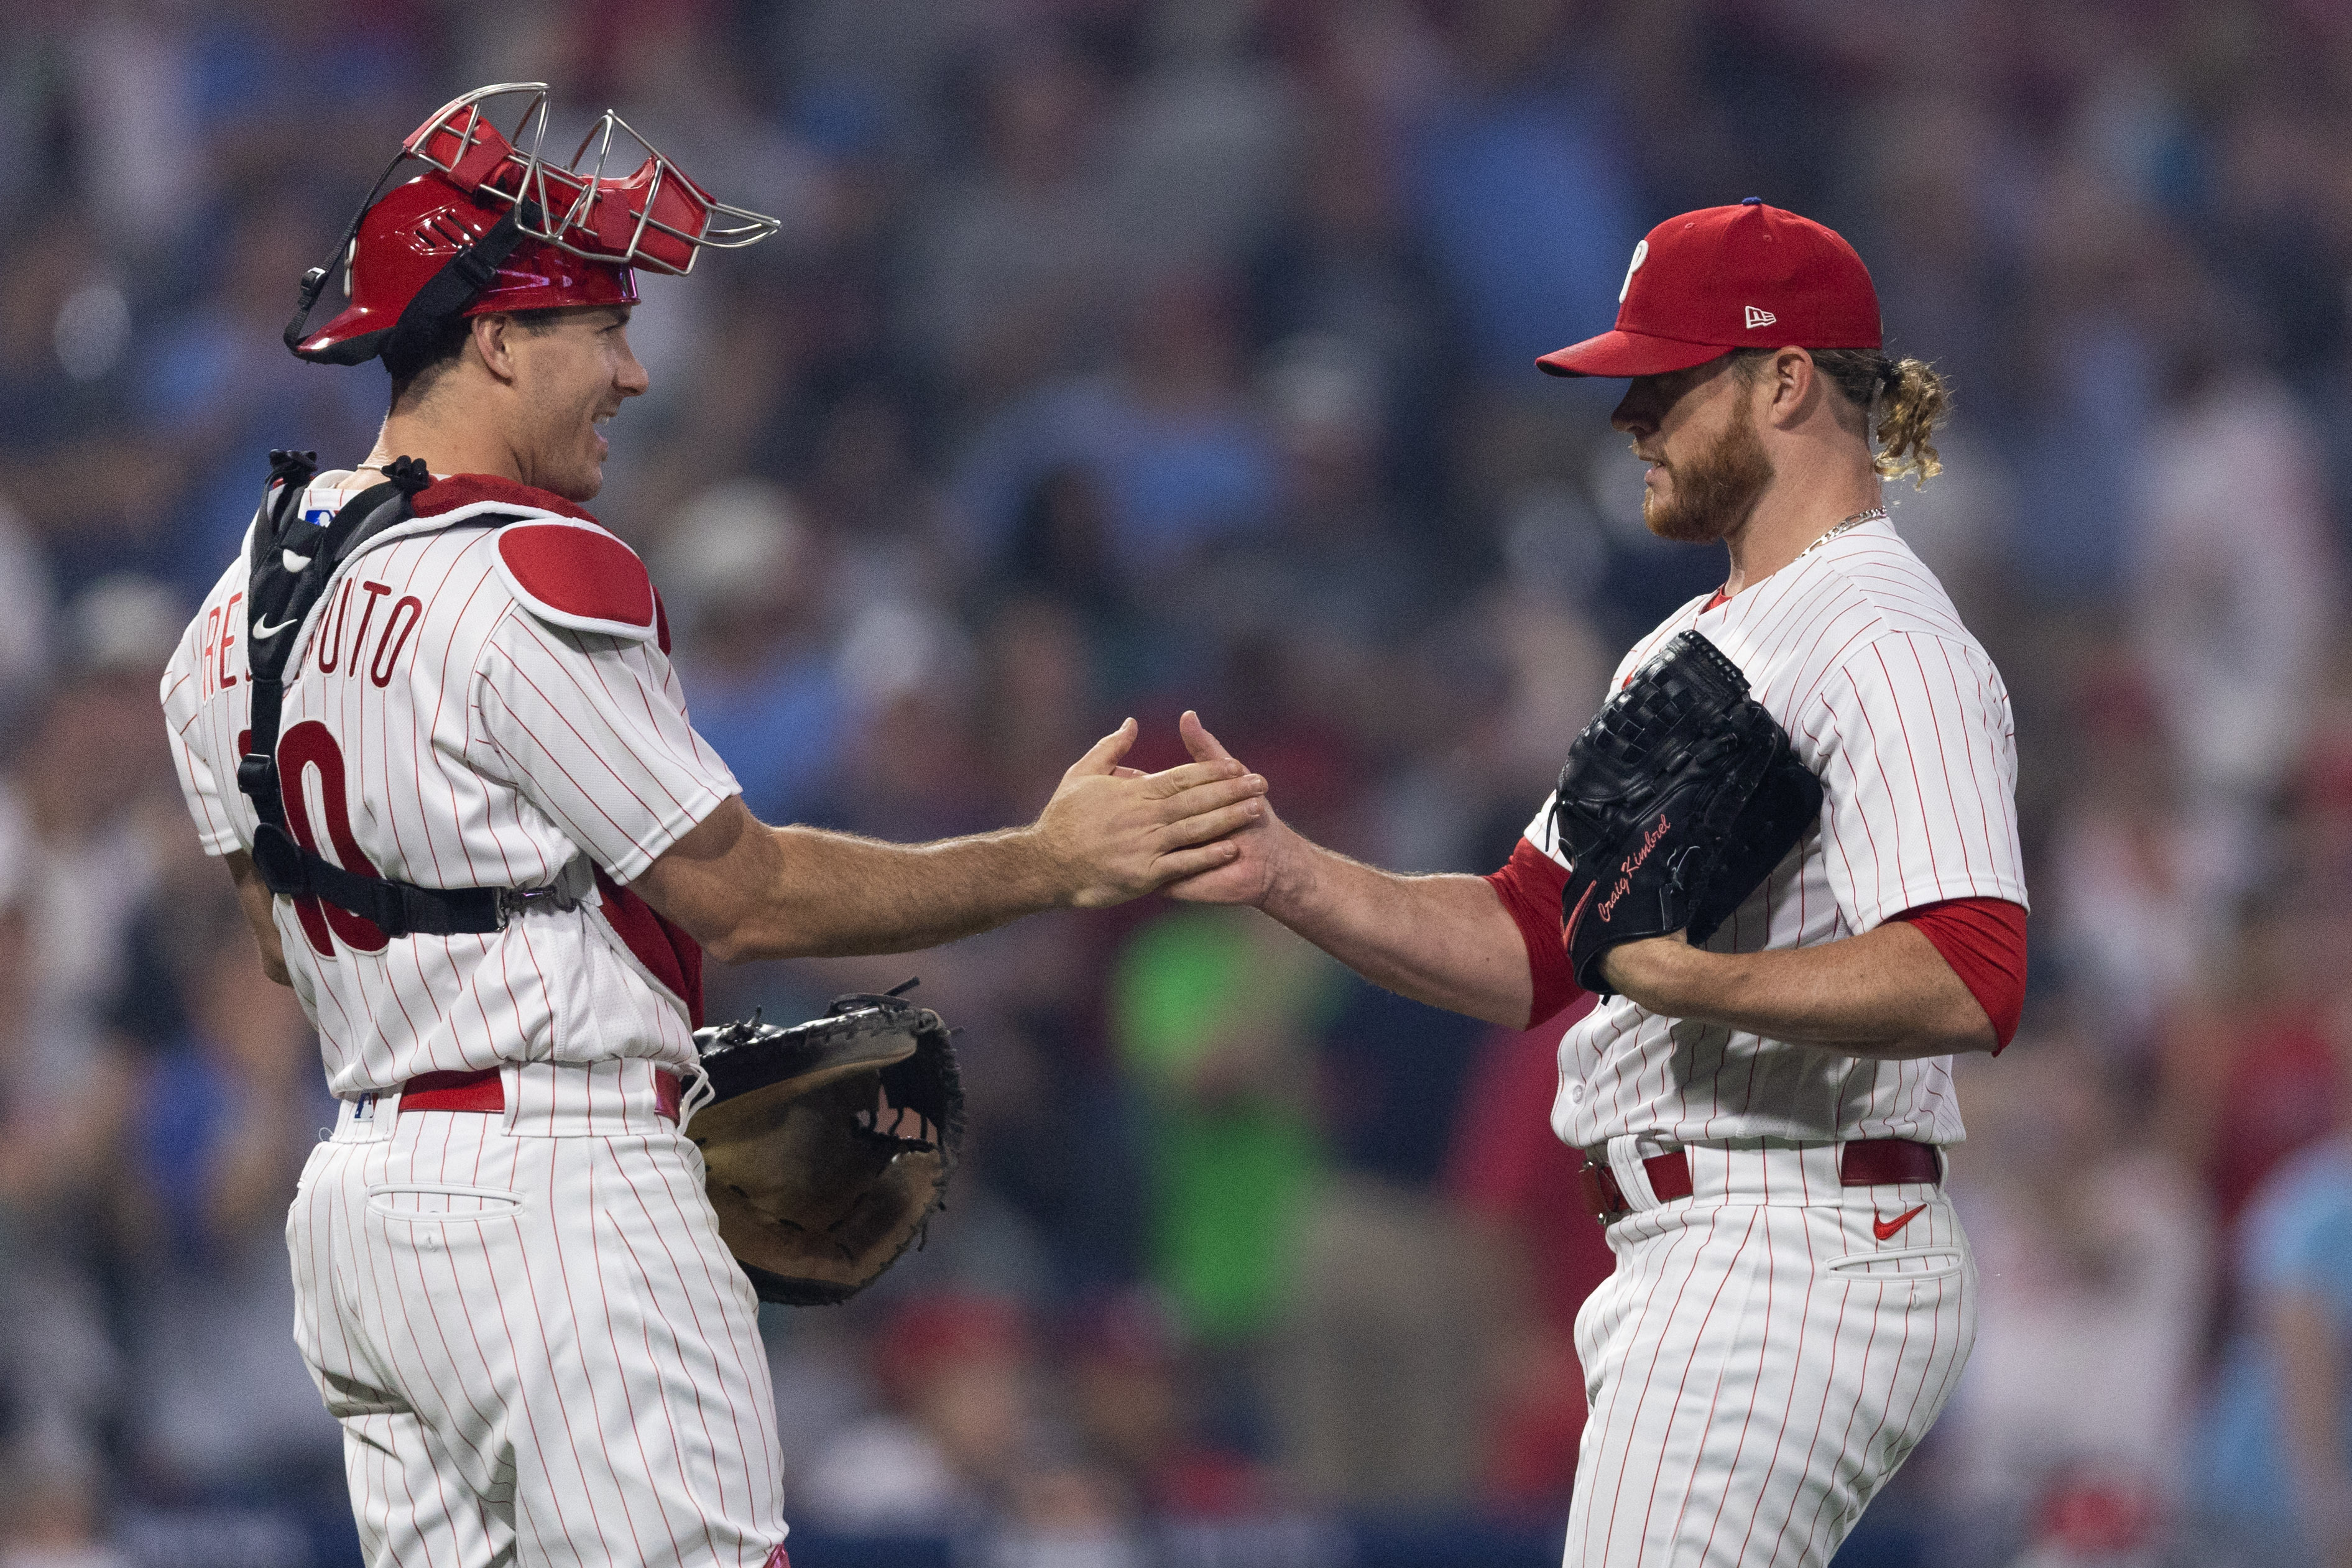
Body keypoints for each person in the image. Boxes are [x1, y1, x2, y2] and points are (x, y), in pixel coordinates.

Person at [155, 85, 1265, 1568]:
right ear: (492, 339)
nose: (632, 372)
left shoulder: (223, 620)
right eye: (599, 332)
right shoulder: (532, 571)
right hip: (553, 1195)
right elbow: (738, 894)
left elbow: (284, 952)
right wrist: (1047, 862)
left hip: (363, 1212)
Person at [1168, 200, 2029, 1566]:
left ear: (1784, 379)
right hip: (1710, 1246)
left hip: (1787, 1236)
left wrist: (1690, 977)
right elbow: (1527, 941)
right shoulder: (1697, 639)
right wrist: (1287, 873)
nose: (1629, 419)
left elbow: (1969, 967)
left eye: (1664, 382)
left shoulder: (1883, 637)